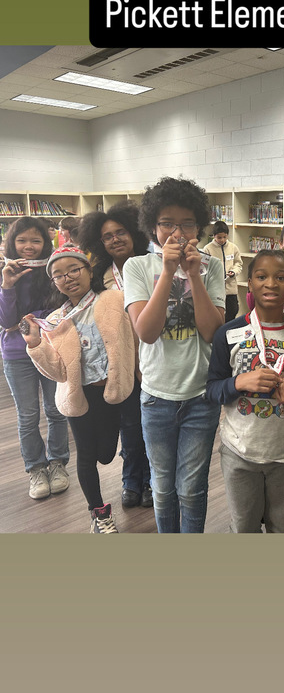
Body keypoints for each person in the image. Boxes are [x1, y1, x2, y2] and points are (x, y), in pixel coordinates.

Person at [123, 176, 225, 533]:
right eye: (167, 223)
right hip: (156, 397)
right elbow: (146, 333)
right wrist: (168, 272)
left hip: (201, 396)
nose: (176, 232)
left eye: (186, 223)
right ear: (153, 226)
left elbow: (212, 331)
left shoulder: (211, 266)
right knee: (163, 486)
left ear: (199, 225)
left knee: (192, 488)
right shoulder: (136, 267)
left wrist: (194, 275)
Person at [21, 247, 135, 533]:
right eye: (59, 275)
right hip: (79, 396)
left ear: (88, 270)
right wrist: (35, 344)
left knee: (107, 453)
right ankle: (98, 514)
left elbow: (134, 340)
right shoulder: (56, 321)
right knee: (86, 454)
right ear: (54, 283)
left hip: (115, 390)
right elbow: (57, 371)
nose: (68, 278)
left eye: (74, 269)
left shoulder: (114, 300)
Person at [206, 250, 284, 533]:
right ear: (250, 283)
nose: (271, 284)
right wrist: (238, 383)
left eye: (281, 277)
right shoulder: (228, 333)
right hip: (239, 452)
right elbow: (211, 389)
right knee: (244, 527)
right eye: (262, 276)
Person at [77, 201, 152, 509]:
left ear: (135, 232)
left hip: (150, 356)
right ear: (100, 242)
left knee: (147, 426)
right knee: (131, 426)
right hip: (117, 363)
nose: (115, 240)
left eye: (120, 232)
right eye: (107, 236)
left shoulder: (150, 266)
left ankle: (148, 481)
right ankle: (131, 481)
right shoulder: (97, 276)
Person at [0, 217, 70, 501]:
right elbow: (7, 322)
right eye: (22, 240)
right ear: (12, 242)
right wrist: (8, 286)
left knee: (56, 410)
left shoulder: (54, 268)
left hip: (51, 349)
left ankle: (58, 463)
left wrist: (29, 320)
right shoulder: (5, 271)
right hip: (16, 354)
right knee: (27, 416)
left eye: (36, 240)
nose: (29, 247)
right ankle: (36, 468)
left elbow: (60, 313)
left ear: (45, 243)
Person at [202, 220, 243, 321]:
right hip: (215, 288)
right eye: (219, 237)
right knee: (216, 313)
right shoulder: (207, 249)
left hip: (230, 288)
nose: (222, 240)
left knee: (233, 310)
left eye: (225, 237)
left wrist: (234, 272)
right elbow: (203, 268)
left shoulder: (233, 248)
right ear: (214, 236)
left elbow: (238, 263)